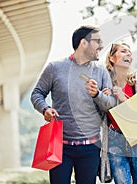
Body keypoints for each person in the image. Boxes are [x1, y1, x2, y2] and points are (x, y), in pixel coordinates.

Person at [31, 25, 116, 184]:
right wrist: (45, 109)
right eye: (97, 41)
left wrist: (97, 94)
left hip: (91, 147)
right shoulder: (55, 68)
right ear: (84, 43)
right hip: (60, 146)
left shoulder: (101, 71)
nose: (102, 45)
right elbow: (37, 93)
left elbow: (110, 104)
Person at [103, 42, 137, 184]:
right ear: (112, 58)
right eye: (123, 51)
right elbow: (98, 114)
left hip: (136, 138)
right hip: (114, 138)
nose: (128, 54)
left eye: (130, 52)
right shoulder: (104, 83)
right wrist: (102, 98)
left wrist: (123, 98)